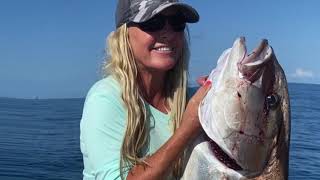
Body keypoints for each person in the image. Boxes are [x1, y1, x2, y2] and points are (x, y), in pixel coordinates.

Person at [80, 0, 211, 179]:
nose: (168, 33)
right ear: (124, 35)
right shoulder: (104, 98)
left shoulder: (184, 102)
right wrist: (188, 128)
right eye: (153, 22)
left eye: (176, 22)